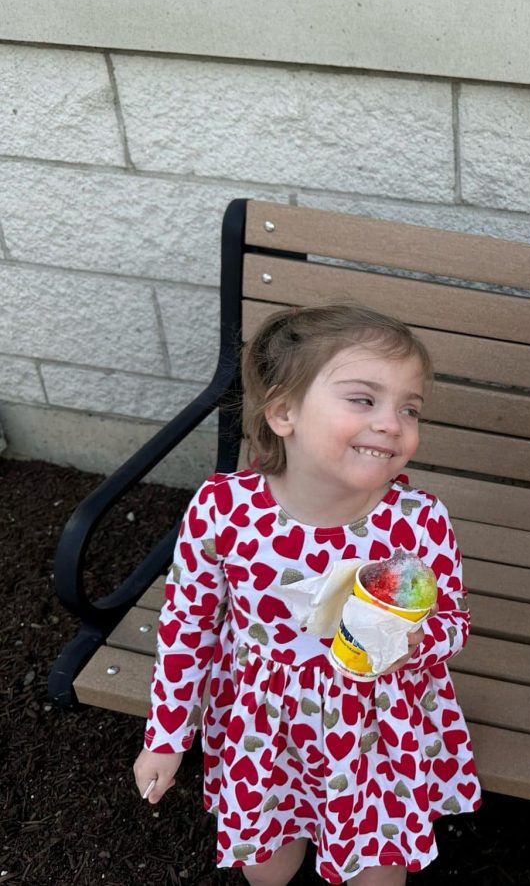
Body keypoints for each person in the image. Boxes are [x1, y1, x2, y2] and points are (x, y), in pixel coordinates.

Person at [133, 304, 480, 885]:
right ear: (283, 412)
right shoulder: (226, 512)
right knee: (269, 869)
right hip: (263, 728)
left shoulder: (416, 523)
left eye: (409, 408)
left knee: (378, 874)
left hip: (375, 730)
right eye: (364, 399)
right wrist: (166, 738)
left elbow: (453, 623)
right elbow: (186, 629)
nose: (392, 423)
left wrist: (412, 640)